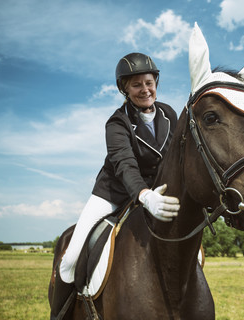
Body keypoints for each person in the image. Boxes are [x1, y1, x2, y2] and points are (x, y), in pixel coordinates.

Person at [50, 53, 180, 319]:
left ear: (156, 82)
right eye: (136, 85)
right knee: (71, 259)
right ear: (125, 89)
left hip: (157, 192)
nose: (145, 89)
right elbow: (125, 165)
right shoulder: (117, 122)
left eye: (149, 82)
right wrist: (144, 195)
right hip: (114, 193)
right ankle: (59, 314)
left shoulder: (169, 114)